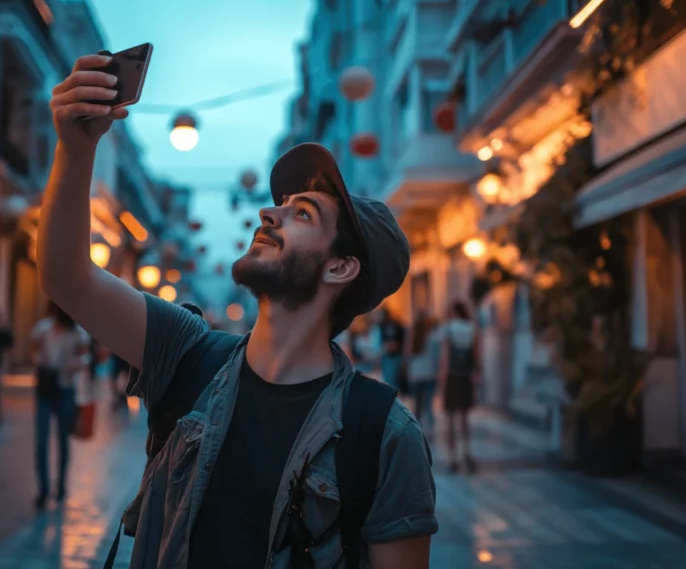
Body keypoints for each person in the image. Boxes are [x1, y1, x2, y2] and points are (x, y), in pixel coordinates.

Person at [37, 53, 436, 569]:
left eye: (303, 213)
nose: (269, 211)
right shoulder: (187, 350)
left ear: (340, 267)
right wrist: (76, 148)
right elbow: (65, 278)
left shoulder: (384, 434)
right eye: (280, 202)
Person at [30, 303, 89, 507]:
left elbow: (84, 357)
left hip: (65, 390)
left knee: (63, 441)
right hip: (45, 389)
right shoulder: (43, 329)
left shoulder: (78, 333)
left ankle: (61, 485)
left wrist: (75, 364)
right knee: (41, 441)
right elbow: (35, 351)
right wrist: (39, 361)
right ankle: (43, 489)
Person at [441, 301, 479, 474]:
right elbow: (477, 353)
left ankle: (452, 458)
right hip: (466, 375)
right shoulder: (472, 328)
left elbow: (446, 354)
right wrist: (477, 371)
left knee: (450, 418)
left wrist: (442, 376)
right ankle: (467, 452)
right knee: (464, 417)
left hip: (452, 376)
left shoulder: (449, 328)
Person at [406, 311, 439, 438]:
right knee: (429, 404)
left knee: (417, 405)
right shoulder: (433, 337)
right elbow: (437, 357)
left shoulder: (413, 338)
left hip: (416, 375)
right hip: (430, 374)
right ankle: (430, 430)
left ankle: (417, 429)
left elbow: (407, 355)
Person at [376, 308, 406, 390]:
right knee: (387, 379)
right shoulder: (382, 326)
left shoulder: (397, 325)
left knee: (394, 379)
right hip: (386, 355)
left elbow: (402, 341)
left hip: (396, 355)